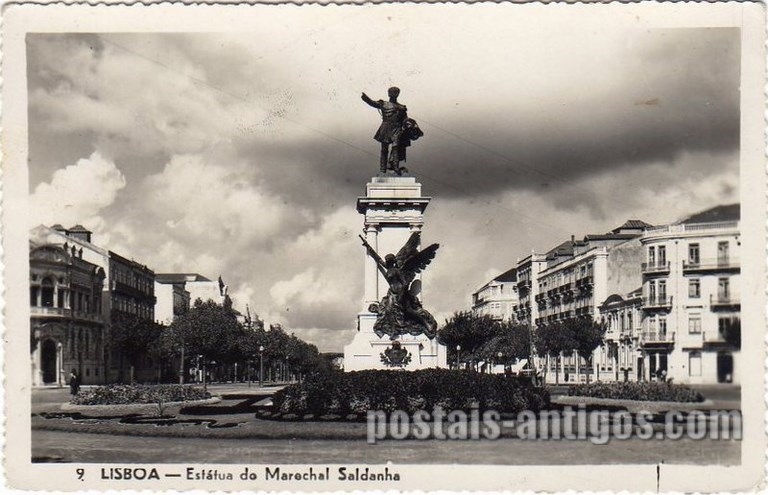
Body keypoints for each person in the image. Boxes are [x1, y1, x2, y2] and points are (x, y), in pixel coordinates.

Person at [361, 87, 422, 175]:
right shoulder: (383, 104)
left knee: (396, 147)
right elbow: (373, 103)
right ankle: (382, 170)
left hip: (397, 129)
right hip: (385, 128)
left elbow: (405, 119)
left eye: (395, 92)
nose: (393, 93)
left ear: (398, 94)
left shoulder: (401, 107)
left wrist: (410, 125)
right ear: (388, 93)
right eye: (392, 92)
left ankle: (395, 167)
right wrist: (365, 98)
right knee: (384, 149)